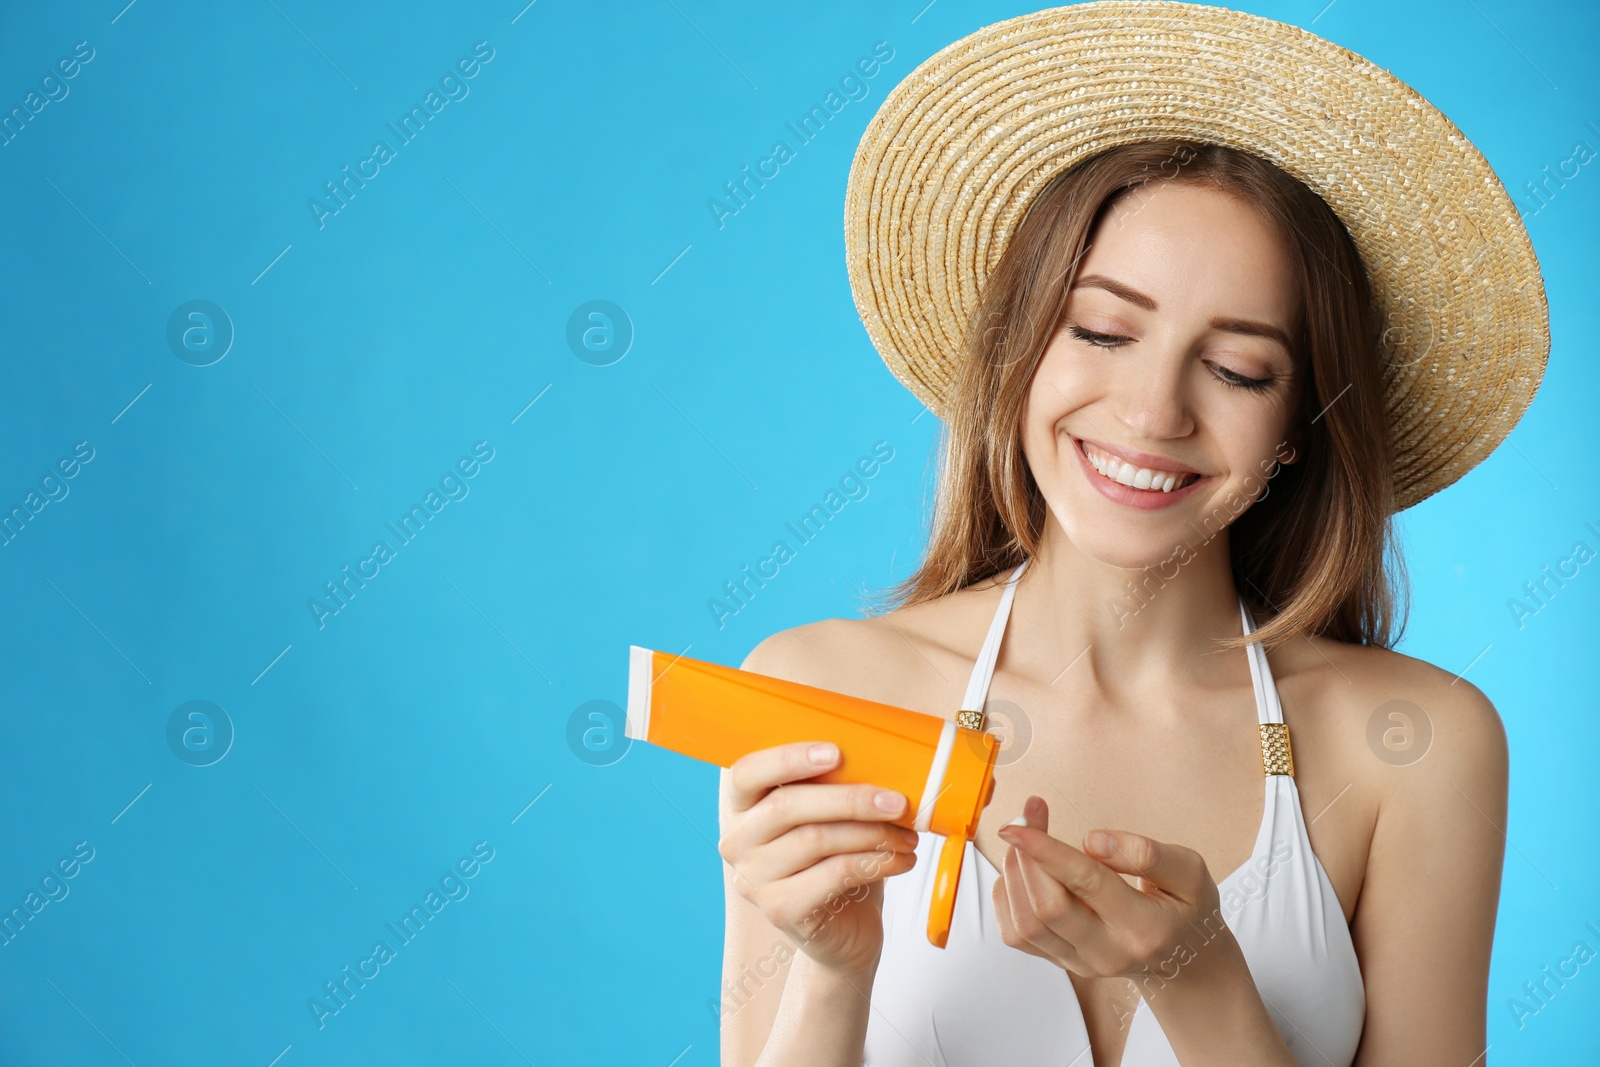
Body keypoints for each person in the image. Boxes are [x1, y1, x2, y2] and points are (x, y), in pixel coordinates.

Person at [714, 3, 1549, 1065]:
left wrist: (1198, 979)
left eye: (1238, 367)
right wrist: (833, 970)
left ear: (1297, 427)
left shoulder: (1421, 744)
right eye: (1103, 329)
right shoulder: (818, 692)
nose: (1153, 412)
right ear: (1020, 346)